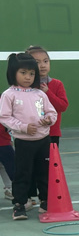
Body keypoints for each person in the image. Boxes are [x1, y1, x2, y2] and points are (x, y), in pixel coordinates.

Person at [0, 53, 57, 221]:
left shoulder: (39, 94)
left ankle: (46, 201)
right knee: (22, 174)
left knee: (44, 173)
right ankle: (20, 205)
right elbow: (4, 117)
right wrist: (24, 128)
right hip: (24, 142)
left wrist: (49, 120)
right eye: (23, 73)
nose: (28, 77)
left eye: (31, 73)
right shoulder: (9, 94)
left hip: (43, 140)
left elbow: (51, 112)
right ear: (13, 72)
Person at [26, 46, 68, 209]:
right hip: (30, 134)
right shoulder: (25, 87)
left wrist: (47, 92)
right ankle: (28, 196)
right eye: (37, 62)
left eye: (45, 61)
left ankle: (46, 198)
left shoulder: (57, 84)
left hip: (51, 134)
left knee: (48, 168)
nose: (42, 65)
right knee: (29, 166)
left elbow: (62, 106)